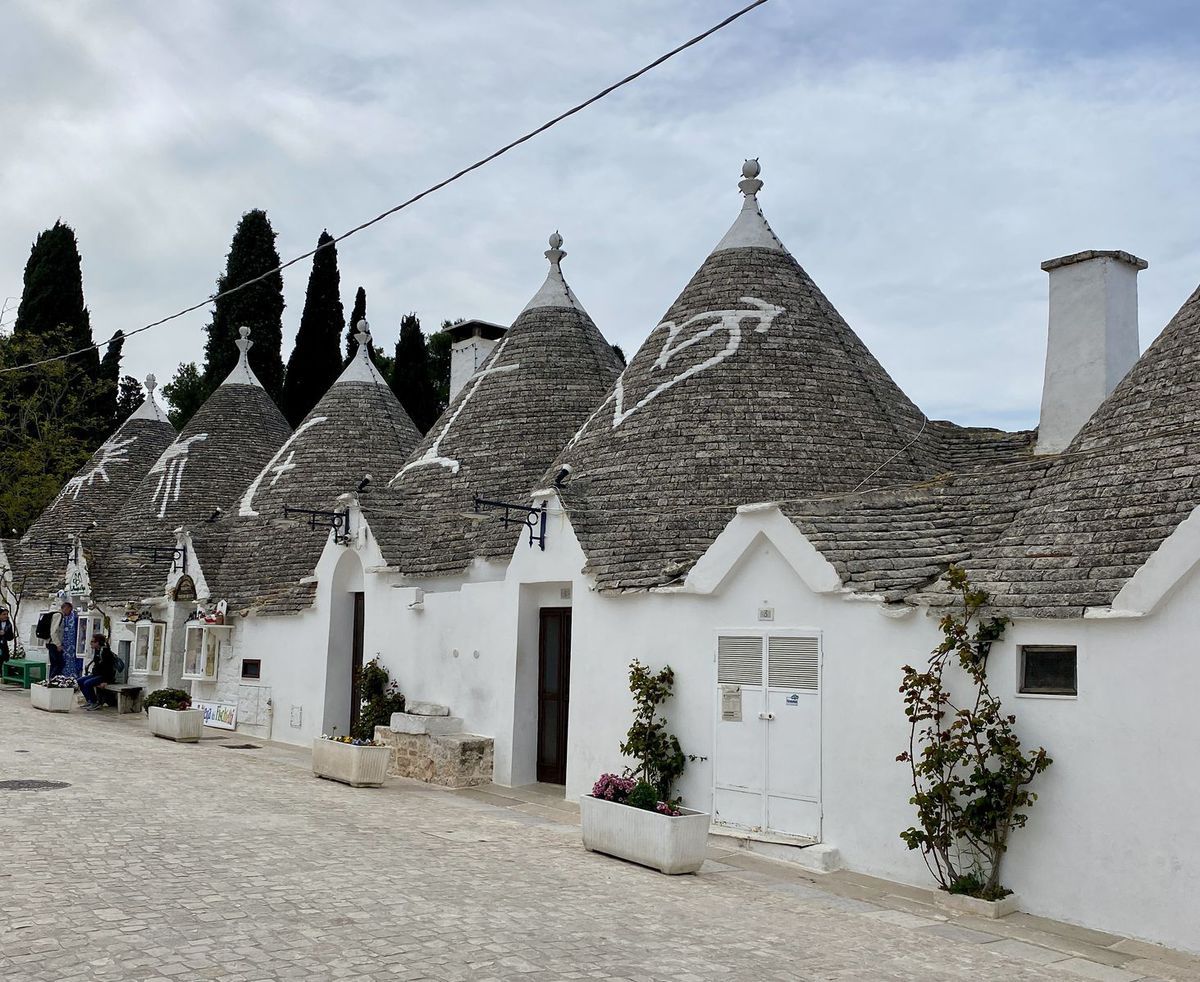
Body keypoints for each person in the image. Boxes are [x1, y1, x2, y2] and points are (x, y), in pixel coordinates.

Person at [79, 634, 116, 711]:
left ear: (98, 642)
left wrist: (106, 681)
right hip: (97, 674)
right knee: (80, 681)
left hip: (105, 676)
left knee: (87, 683)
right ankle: (89, 700)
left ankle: (94, 702)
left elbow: (109, 669)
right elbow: (97, 664)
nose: (91, 643)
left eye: (93, 641)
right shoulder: (97, 651)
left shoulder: (106, 652)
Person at [47, 600, 74, 679]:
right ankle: (52, 680)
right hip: (53, 643)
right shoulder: (58, 615)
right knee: (59, 664)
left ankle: (51, 680)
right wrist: (58, 644)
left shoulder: (59, 616)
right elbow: (53, 631)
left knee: (55, 664)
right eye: (70, 610)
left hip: (52, 643)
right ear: (66, 608)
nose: (70, 612)